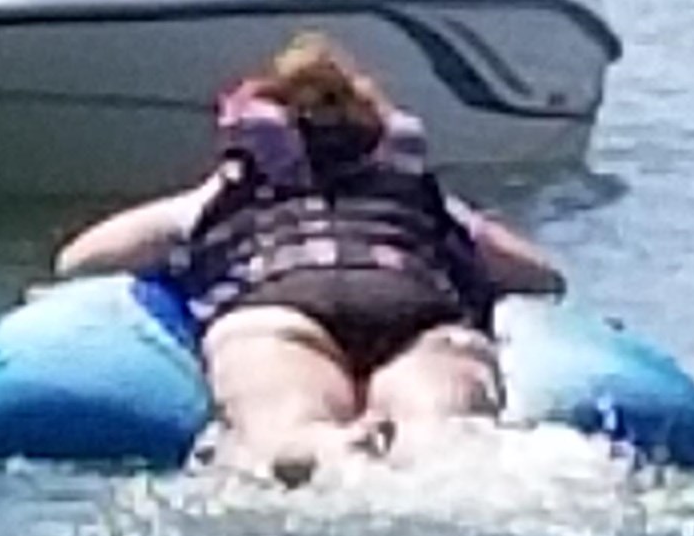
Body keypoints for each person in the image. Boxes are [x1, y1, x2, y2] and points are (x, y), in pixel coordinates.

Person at [51, 34, 566, 484]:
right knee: (445, 439)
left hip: (280, 308)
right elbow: (540, 276)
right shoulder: (414, 189)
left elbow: (80, 259)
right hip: (417, 310)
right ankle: (421, 443)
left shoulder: (229, 192)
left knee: (287, 431)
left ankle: (328, 448)